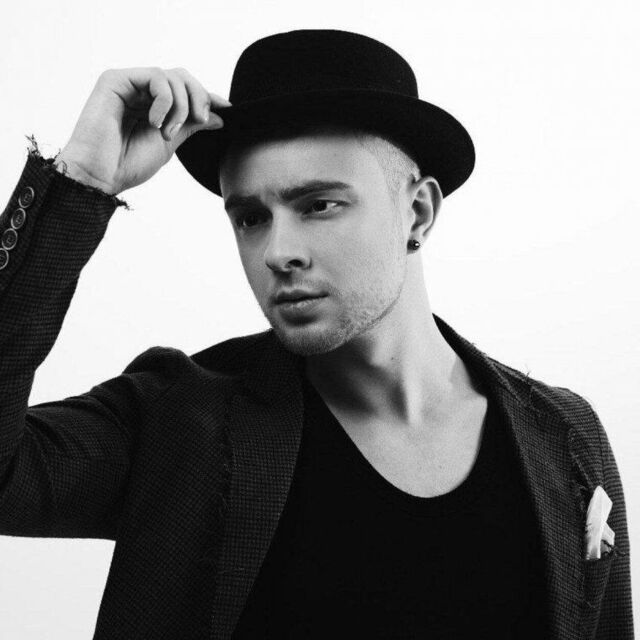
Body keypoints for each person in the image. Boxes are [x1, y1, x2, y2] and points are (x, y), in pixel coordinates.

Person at [0, 29, 632, 640]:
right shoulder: (180, 418)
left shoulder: (564, 438)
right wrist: (81, 181)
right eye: (251, 217)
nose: (278, 252)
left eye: (319, 205)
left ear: (417, 212)